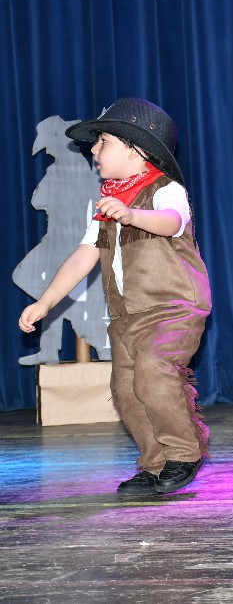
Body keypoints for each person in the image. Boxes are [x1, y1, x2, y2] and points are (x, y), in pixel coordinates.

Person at [19, 98, 212, 496]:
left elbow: (172, 222)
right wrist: (46, 302)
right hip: (127, 317)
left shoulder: (165, 189)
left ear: (136, 151)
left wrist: (132, 215)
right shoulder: (108, 202)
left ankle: (183, 452)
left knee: (154, 372)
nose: (93, 149)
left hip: (173, 307)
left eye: (103, 141)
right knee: (126, 390)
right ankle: (154, 463)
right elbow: (83, 256)